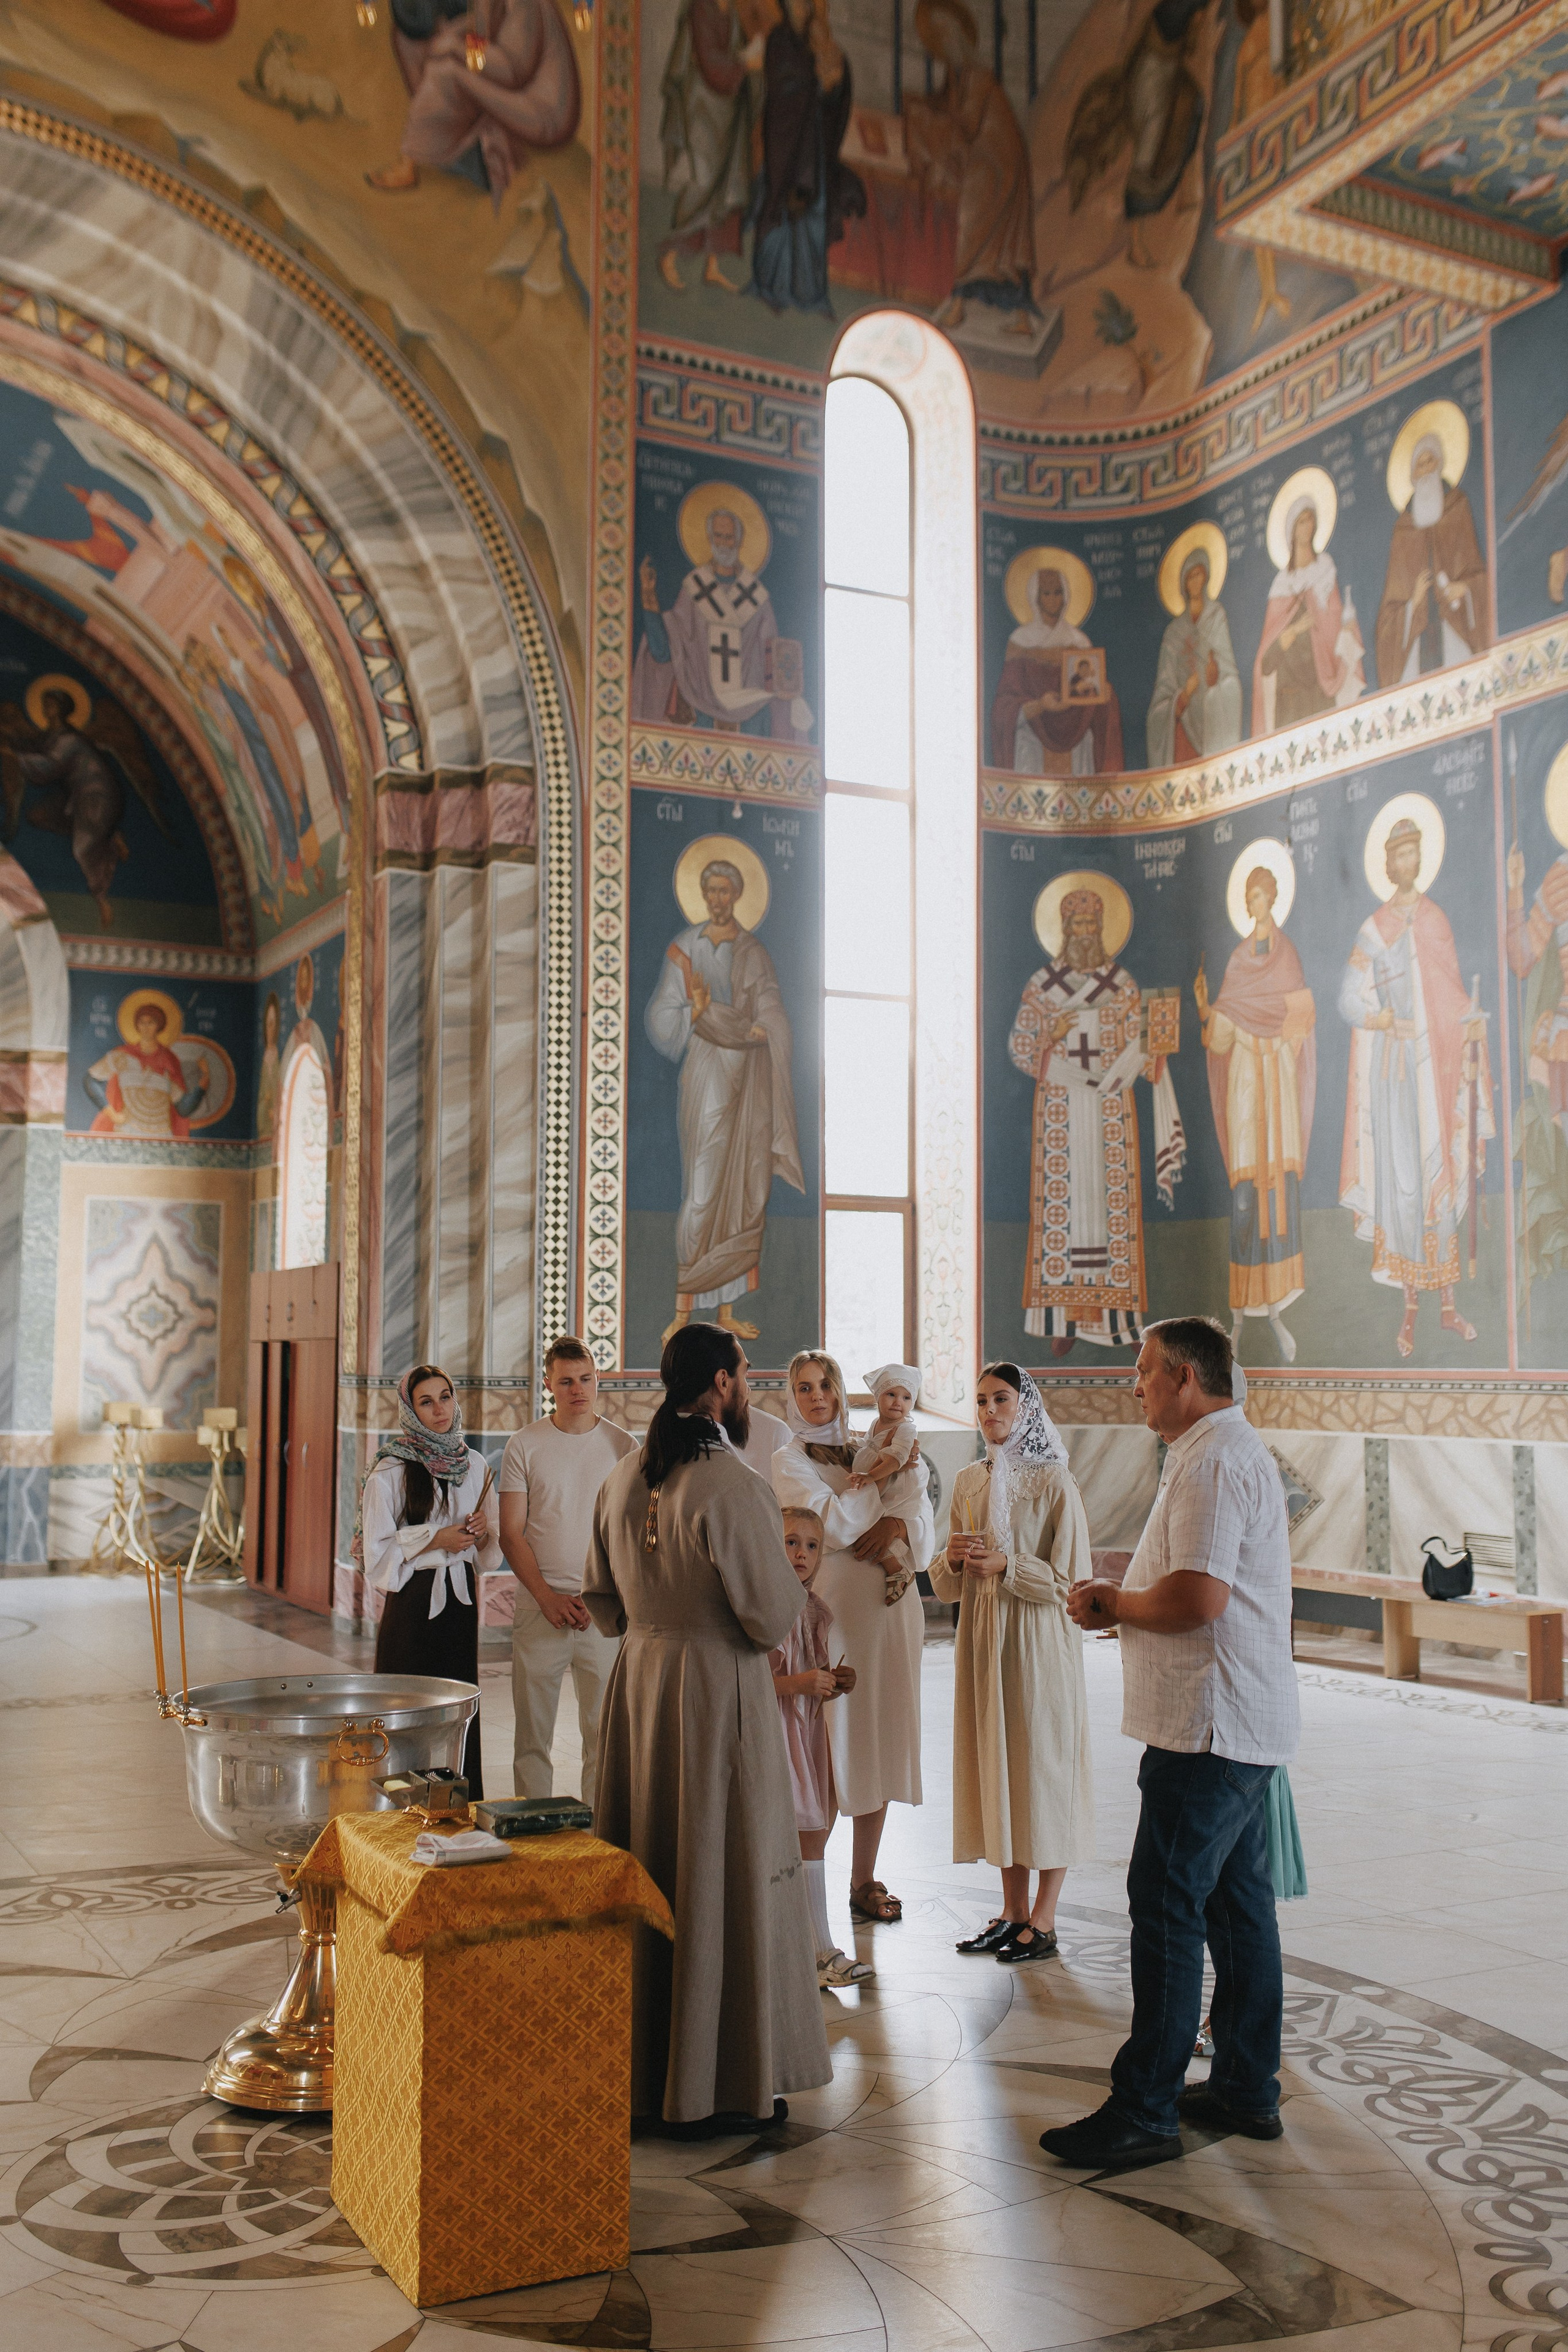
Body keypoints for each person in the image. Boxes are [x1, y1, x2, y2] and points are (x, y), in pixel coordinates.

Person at [1044, 1317, 1298, 2169]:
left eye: (1147, 1371)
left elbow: (1197, 1599)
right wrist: (1125, 1586)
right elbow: (1189, 1579)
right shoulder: (1211, 1452)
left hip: (1210, 1728)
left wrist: (1116, 1604)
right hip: (1230, 1722)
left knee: (1164, 1906)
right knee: (1235, 1909)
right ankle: (1244, 2085)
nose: (1138, 1384)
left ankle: (1146, 2106)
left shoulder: (1217, 1460)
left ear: (1188, 1377)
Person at [585, 1321, 831, 2128]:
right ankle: (716, 2086)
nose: (750, 1388)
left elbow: (604, 1605)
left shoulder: (624, 1475)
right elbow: (767, 1616)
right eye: (748, 1376)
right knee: (722, 1869)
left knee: (652, 1855)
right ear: (723, 1384)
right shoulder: (733, 1484)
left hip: (641, 1689)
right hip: (716, 1689)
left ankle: (645, 2065)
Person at [931, 1364, 1095, 1965]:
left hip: (1037, 1646)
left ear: (1026, 1407)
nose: (989, 1411)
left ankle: (1045, 1919)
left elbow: (1071, 1581)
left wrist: (1009, 1567)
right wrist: (949, 1558)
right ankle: (1011, 1910)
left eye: (1000, 1399)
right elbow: (949, 1586)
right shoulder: (969, 1481)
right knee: (998, 1767)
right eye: (979, 1401)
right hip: (983, 1644)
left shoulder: (1054, 1482)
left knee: (1041, 1773)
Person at [771, 1351, 932, 1925]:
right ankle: (802, 1882)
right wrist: (877, 1500)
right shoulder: (789, 1459)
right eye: (806, 1387)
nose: (819, 1398)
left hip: (892, 1615)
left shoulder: (874, 1448)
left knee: (879, 1736)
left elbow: (920, 1515)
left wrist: (904, 1525)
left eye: (827, 1386)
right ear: (791, 1397)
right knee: (829, 1743)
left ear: (841, 1393)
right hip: (835, 1618)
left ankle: (864, 1878)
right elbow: (828, 1525)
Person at [1338, 815, 1492, 1358]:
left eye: (1415, 853)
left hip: (1437, 1067)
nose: (1408, 862)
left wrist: (1471, 1023)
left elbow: (1450, 993)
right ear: (1387, 863)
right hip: (1395, 1075)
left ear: (1421, 859)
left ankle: (1448, 1307)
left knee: (1439, 1178)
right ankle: (1409, 1311)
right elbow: (1348, 998)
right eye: (1399, 854)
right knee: (1405, 1188)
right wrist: (1383, 1021)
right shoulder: (1375, 928)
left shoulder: (1435, 921)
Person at [1009, 883, 1185, 1354]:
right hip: (1062, 1114)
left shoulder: (1122, 985)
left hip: (1109, 1110)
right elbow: (1022, 1047)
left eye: (1092, 925)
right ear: (1064, 931)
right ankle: (1062, 1322)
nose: (1085, 934)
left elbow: (1142, 1040)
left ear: (1102, 930)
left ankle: (1120, 1322)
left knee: (1110, 1213)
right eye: (1077, 926)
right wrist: (1052, 1030)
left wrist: (1156, 1040)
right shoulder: (1041, 987)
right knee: (1066, 1214)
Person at [644, 855, 804, 1343]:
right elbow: (661, 1016)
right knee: (705, 1185)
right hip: (707, 1071)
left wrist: (763, 1027)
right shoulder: (685, 950)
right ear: (703, 894)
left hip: (750, 1077)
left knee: (746, 1187)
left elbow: (772, 1007)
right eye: (709, 890)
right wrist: (696, 1013)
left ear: (736, 896)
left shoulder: (753, 950)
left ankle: (726, 1309)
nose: (717, 899)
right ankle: (683, 1305)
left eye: (725, 891)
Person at [498, 1335, 637, 1812]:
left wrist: (610, 1598)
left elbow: (632, 1533)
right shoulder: (525, 1444)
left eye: (586, 1379)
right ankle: (531, 1832)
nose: (578, 1389)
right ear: (549, 1385)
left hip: (603, 1609)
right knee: (533, 1733)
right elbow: (511, 1534)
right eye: (566, 1382)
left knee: (604, 1731)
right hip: (542, 1606)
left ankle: (600, 1832)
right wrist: (547, 1599)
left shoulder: (624, 1446)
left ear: (597, 1380)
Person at [355, 1364, 501, 1795]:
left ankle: (459, 1807)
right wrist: (437, 1537)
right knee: (407, 1705)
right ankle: (399, 1814)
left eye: (445, 1396)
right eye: (426, 1401)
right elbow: (377, 1551)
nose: (439, 1409)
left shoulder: (474, 1464)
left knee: (457, 1708)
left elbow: (488, 1554)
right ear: (410, 1410)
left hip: (460, 1600)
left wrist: (482, 1532)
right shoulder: (391, 1469)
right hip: (414, 1601)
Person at [1196, 865, 1316, 1362]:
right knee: (1246, 1198)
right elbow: (1221, 1033)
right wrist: (1208, 1011)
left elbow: (1302, 1012)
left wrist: (1279, 1045)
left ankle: (1280, 1311)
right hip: (1247, 1083)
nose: (1259, 902)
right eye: (1252, 896)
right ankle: (1242, 1317)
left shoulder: (1286, 954)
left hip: (1277, 1081)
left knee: (1280, 1194)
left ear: (1274, 900)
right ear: (1246, 903)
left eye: (1265, 894)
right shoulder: (1239, 960)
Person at [770, 1506, 869, 1989]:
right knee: (798, 1836)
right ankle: (819, 1951)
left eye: (812, 1546)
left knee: (814, 1834)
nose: (801, 1554)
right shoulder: (769, 1607)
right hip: (778, 1734)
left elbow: (815, 1666)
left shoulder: (815, 1610)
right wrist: (803, 1683)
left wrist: (835, 1680)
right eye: (791, 1542)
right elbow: (752, 1682)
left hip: (806, 1732)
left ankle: (815, 1948)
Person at [904, 0, 1036, 337]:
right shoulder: (957, 77)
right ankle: (977, 303)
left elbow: (966, 124)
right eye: (938, 37)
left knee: (967, 214)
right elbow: (947, 110)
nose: (945, 43)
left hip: (998, 168)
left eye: (949, 34)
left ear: (962, 36)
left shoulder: (979, 77)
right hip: (980, 160)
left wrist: (932, 117)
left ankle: (966, 303)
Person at [747, 0, 865, 317]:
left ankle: (810, 293)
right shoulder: (781, 40)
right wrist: (815, 82)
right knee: (781, 213)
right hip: (786, 146)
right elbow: (785, 86)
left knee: (812, 219)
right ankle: (771, 287)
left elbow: (836, 94)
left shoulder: (822, 44)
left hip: (815, 150)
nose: (803, 7)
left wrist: (835, 85)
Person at [655, 0, 762, 292]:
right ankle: (670, 254)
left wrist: (750, 59)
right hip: (704, 107)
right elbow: (710, 61)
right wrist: (745, 63)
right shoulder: (701, 9)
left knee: (731, 184)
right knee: (705, 183)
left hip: (731, 108)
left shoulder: (733, 14)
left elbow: (735, 55)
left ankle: (713, 266)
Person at [1374, 432, 1490, 685]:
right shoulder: (1403, 530)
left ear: (1440, 465)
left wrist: (1465, 589)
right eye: (1421, 465)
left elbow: (1480, 577)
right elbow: (1387, 616)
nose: (1426, 470)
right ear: (1413, 475)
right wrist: (1412, 604)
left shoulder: (1458, 507)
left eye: (1431, 462)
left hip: (1455, 630)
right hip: (1417, 640)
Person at [989, 565, 1123, 775]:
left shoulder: (1079, 642)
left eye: (1058, 592)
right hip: (1033, 741)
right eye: (1047, 593)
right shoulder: (1020, 641)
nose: (1053, 599)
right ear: (1036, 597)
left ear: (1066, 596)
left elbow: (1090, 695)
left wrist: (1105, 694)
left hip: (1076, 740)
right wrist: (1040, 706)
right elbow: (1004, 706)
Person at [1252, 496, 1365, 736]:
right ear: (1292, 530)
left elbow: (1335, 620)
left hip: (1321, 692)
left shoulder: (1325, 571)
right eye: (1301, 521)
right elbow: (1266, 661)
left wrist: (1347, 628)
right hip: (1291, 701)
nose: (1307, 527)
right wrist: (1293, 631)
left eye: (1311, 520)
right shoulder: (1282, 586)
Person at [1145, 546, 1242, 767]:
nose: (1195, 582)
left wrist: (1214, 677)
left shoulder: (1217, 616)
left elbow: (1230, 672)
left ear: (1207, 577)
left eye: (1199, 575)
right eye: (1190, 577)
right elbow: (1163, 692)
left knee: (1230, 690)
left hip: (1212, 710)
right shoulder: (1173, 632)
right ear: (1184, 584)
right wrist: (1183, 694)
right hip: (1185, 721)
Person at [846, 1363, 922, 1606]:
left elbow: (896, 1460)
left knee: (871, 1524)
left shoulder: (906, 1428)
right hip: (880, 1481)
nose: (898, 1402)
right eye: (891, 1394)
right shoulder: (877, 1424)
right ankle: (898, 1570)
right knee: (868, 1526)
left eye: (906, 1397)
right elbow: (870, 1444)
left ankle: (898, 1570)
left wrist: (871, 1476)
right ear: (877, 1397)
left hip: (893, 1485)